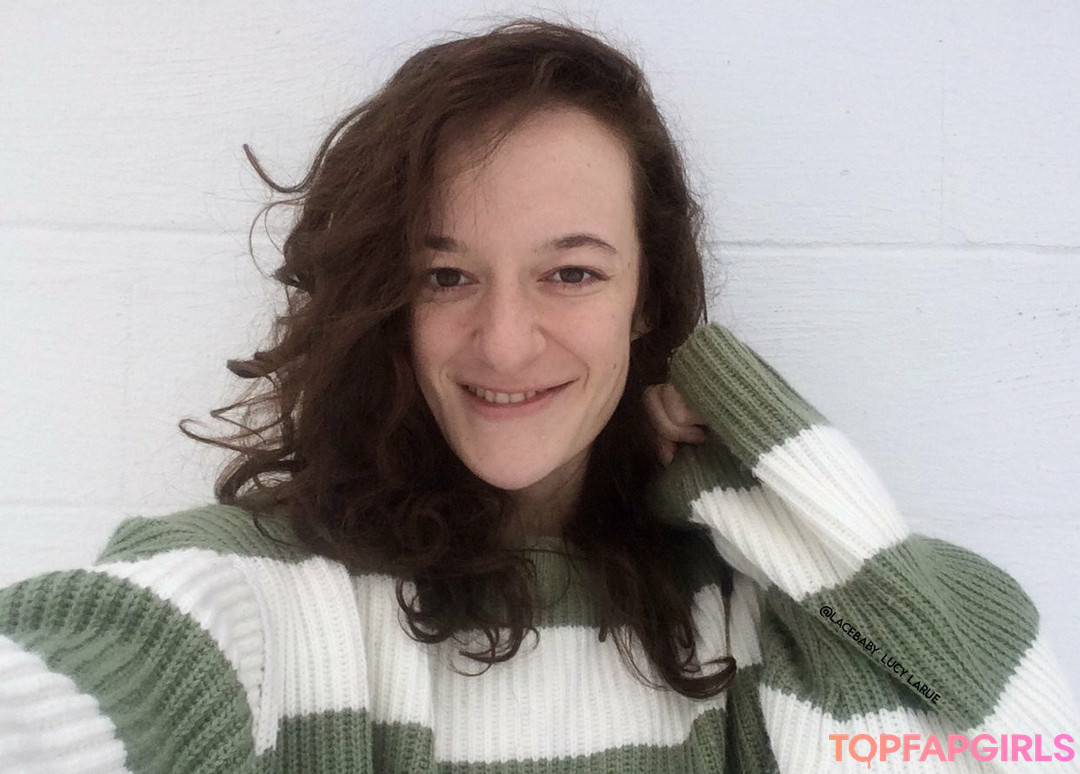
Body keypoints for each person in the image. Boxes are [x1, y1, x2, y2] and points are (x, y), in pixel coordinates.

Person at [1, 16, 1077, 774]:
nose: (506, 342)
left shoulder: (748, 613)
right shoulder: (272, 595)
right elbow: (85, 681)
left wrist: (744, 477)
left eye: (571, 272)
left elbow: (1030, 743)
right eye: (445, 276)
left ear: (646, 299)